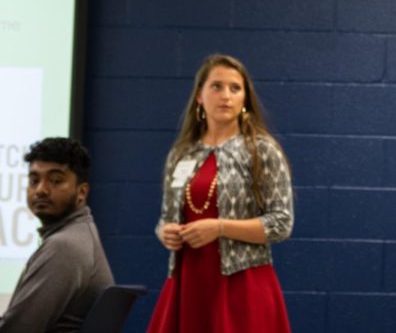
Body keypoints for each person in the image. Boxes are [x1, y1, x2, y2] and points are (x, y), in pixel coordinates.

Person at [147, 54, 293, 332]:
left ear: (244, 100)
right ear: (200, 96)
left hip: (243, 282)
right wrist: (165, 231)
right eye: (216, 86)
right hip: (188, 281)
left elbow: (281, 224)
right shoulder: (181, 153)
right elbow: (165, 218)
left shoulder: (262, 151)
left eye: (235, 88)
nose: (226, 95)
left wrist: (220, 227)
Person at [0, 137, 114, 332]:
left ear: (81, 193)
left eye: (55, 181)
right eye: (34, 180)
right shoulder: (79, 233)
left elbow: (18, 329)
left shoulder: (64, 246)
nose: (41, 190)